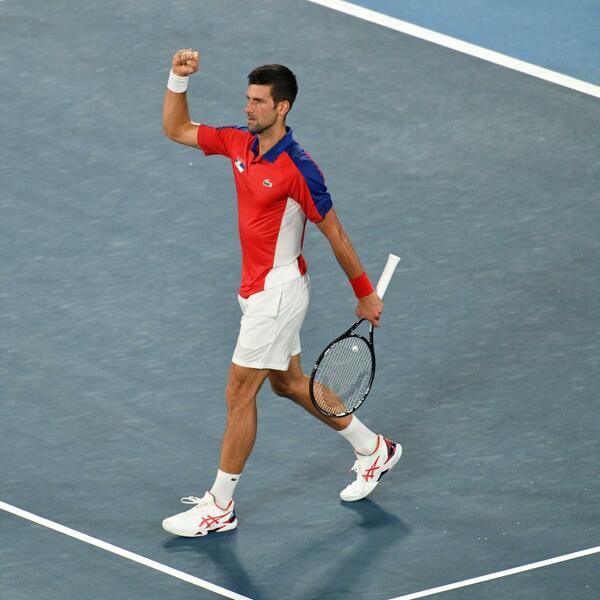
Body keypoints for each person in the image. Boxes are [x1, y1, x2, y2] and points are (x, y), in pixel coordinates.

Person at [161, 49, 401, 537]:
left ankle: (220, 506)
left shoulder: (299, 168)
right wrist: (177, 79)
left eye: (258, 101)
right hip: (255, 292)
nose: (247, 108)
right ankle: (373, 448)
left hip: (278, 294)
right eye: (247, 99)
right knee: (287, 383)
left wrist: (364, 293)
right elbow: (177, 129)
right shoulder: (237, 142)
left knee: (239, 390)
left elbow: (335, 232)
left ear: (282, 107)